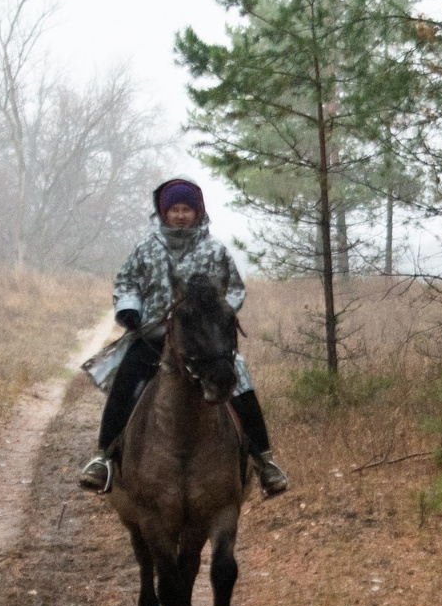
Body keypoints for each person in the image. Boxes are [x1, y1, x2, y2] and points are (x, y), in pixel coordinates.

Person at [79, 179, 288, 498]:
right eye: (174, 209)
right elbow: (126, 283)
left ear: (197, 211)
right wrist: (129, 309)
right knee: (126, 383)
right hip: (153, 336)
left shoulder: (214, 250)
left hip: (204, 341)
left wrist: (219, 314)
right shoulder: (146, 249)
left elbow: (234, 288)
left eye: (186, 209)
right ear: (164, 213)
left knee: (241, 385)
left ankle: (265, 463)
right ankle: (103, 458)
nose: (180, 215)